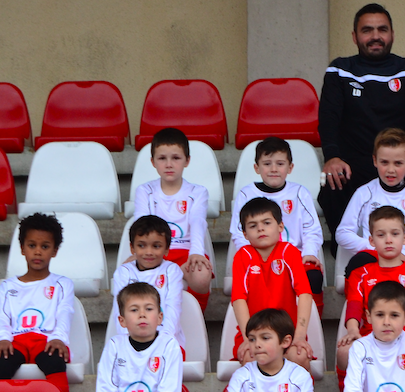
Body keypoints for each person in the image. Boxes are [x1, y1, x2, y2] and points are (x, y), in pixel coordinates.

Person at [319, 3, 405, 231]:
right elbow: (328, 117)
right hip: (354, 162)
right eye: (367, 30)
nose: (375, 36)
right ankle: (348, 258)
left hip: (401, 162)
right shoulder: (339, 70)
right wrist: (332, 156)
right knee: (331, 185)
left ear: (392, 34)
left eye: (382, 30)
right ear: (355, 37)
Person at [337, 206, 405, 388]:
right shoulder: (360, 274)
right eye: (381, 235)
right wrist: (353, 330)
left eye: (395, 234)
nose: (389, 240)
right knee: (344, 352)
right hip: (371, 336)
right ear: (371, 240)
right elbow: (354, 305)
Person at [335, 128, 405, 296]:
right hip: (375, 256)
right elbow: (342, 232)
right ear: (375, 161)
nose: (391, 170)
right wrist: (374, 249)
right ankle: (356, 312)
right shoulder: (364, 193)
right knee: (358, 262)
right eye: (384, 162)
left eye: (398, 163)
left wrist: (402, 253)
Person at [230, 137, 325, 315]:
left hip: (295, 257)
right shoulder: (246, 194)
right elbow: (238, 231)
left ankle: (314, 321)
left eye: (280, 163)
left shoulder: (299, 193)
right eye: (267, 163)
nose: (274, 169)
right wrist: (250, 257)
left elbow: (311, 229)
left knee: (313, 276)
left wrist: (309, 253)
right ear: (256, 168)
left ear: (290, 167)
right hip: (258, 257)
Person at [0, 213, 73, 392]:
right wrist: (2, 339)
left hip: (45, 339)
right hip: (15, 341)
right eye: (32, 245)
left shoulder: (62, 283)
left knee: (54, 359)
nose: (38, 252)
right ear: (22, 249)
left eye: (45, 246)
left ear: (55, 250)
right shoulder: (8, 286)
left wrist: (58, 338)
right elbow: (1, 316)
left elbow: (64, 312)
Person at [131, 128, 213, 310]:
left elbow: (197, 221)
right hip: (155, 251)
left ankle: (195, 316)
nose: (169, 164)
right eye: (162, 158)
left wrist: (196, 252)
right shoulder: (145, 191)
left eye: (176, 158)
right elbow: (141, 224)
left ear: (187, 160)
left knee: (201, 275)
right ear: (153, 162)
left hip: (185, 251)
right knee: (125, 269)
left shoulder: (197, 192)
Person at [231, 198, 314, 371]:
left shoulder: (289, 252)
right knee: (249, 357)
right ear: (245, 234)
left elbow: (305, 294)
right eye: (253, 225)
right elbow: (238, 300)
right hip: (255, 333)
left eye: (266, 223)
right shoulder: (242, 256)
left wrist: (299, 335)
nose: (260, 228)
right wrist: (249, 339)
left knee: (298, 356)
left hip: (286, 333)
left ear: (280, 227)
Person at [112, 215, 185, 348]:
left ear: (167, 248)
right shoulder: (123, 273)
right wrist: (130, 342)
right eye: (141, 245)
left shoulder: (172, 271)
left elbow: (173, 307)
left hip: (167, 342)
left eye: (156, 246)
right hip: (132, 342)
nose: (149, 252)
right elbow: (120, 310)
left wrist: (162, 341)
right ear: (132, 248)